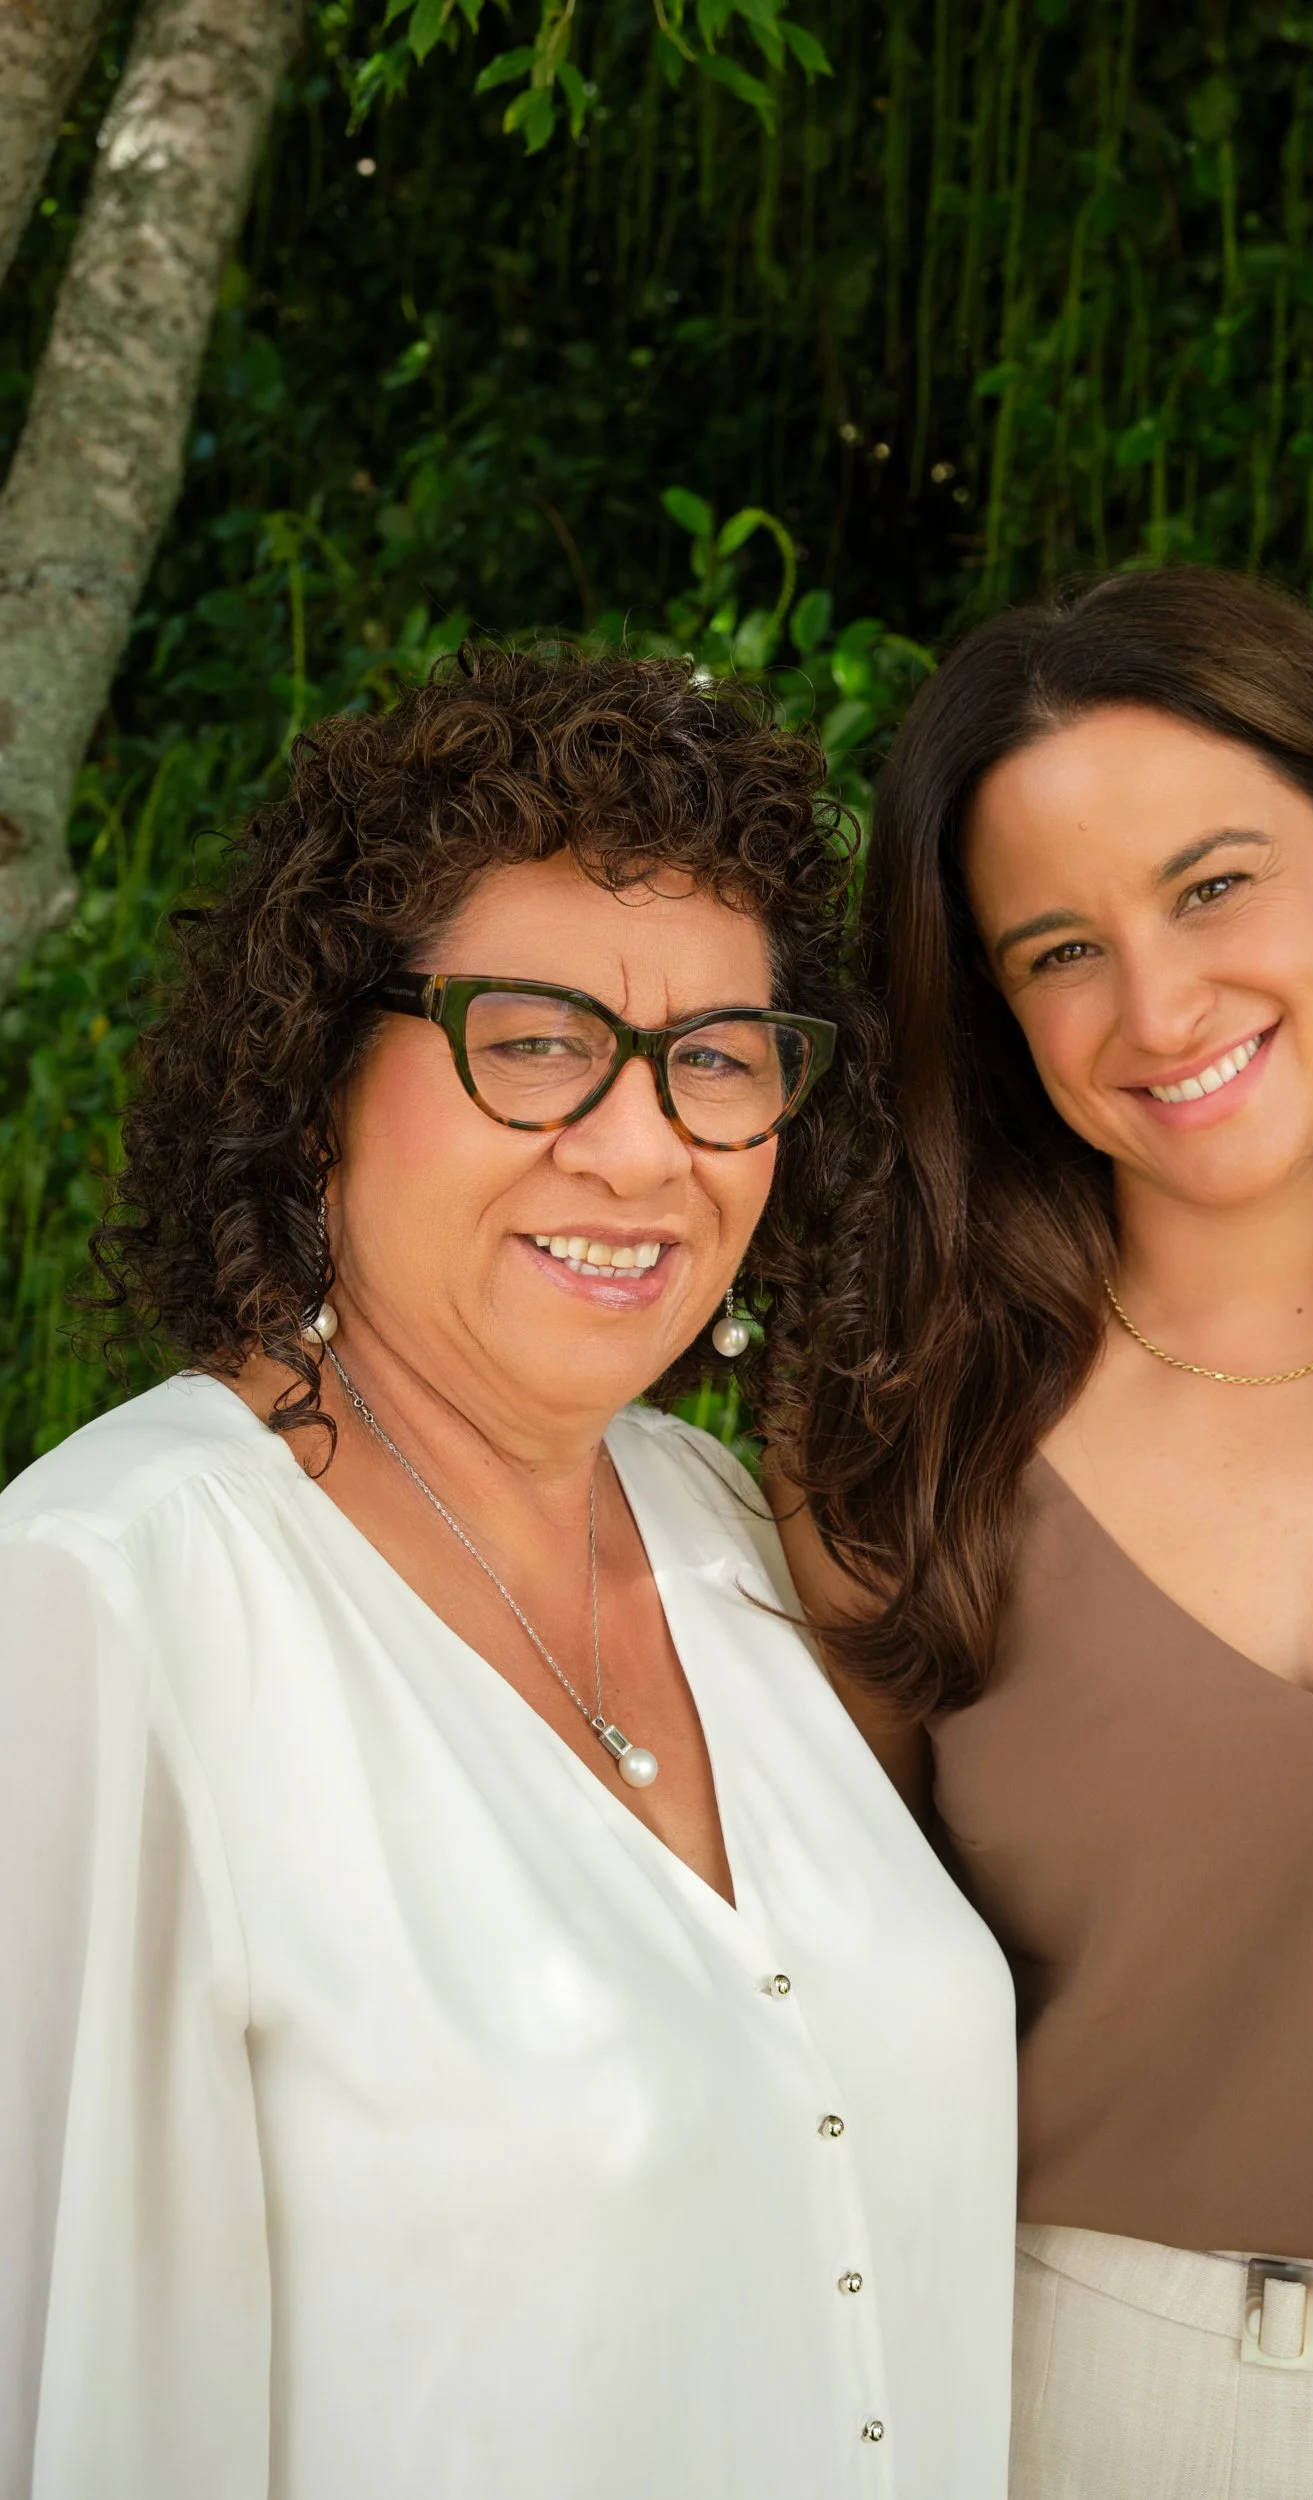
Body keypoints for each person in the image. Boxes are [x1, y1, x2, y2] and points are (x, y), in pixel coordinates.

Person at [0, 649, 1016, 2500]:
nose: (641, 1147)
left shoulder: (719, 1522)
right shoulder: (111, 1603)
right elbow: (80, 2404)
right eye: (535, 1039)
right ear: (318, 1083)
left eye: (716, 1059)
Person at [778, 567, 1313, 2498]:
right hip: (1063, 2390)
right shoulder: (890, 1431)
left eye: (1207, 885)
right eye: (1056, 951)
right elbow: (814, 2038)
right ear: (996, 1010)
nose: (1158, 1006)